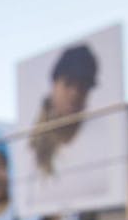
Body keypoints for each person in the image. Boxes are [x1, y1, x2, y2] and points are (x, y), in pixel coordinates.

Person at [28, 44, 98, 177]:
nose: (75, 94)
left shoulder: (99, 137)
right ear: (54, 84)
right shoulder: (32, 146)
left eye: (83, 87)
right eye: (69, 83)